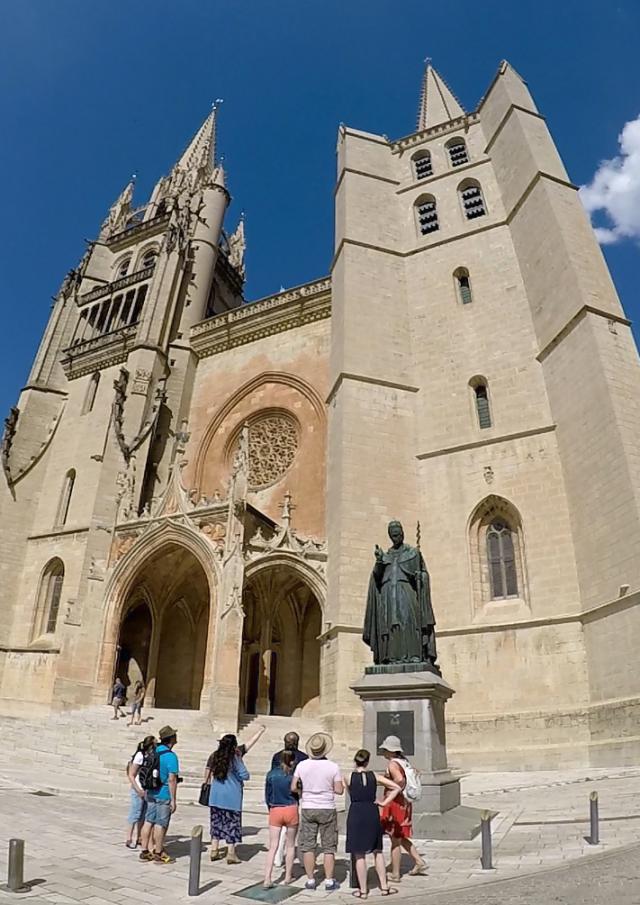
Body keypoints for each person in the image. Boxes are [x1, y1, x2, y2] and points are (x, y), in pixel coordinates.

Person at [291, 732, 344, 892]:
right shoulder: (333, 766)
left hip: (308, 806)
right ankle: (328, 881)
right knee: (328, 846)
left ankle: (310, 880)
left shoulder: (302, 765)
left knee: (308, 846)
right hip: (327, 807)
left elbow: (293, 786)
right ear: (325, 750)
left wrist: (304, 791)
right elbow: (339, 790)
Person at [206, 725, 266, 864]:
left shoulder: (214, 755)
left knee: (217, 823)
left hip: (216, 796)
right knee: (231, 824)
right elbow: (245, 775)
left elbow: (208, 771)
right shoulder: (235, 757)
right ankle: (231, 853)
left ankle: (214, 850)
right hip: (231, 797)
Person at [345, 749, 401, 898]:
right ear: (368, 761)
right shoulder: (375, 776)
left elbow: (351, 794)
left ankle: (363, 891)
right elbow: (397, 787)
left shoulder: (348, 777)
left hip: (356, 812)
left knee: (359, 854)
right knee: (377, 851)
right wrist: (384, 803)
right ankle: (384, 886)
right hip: (371, 811)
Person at [379, 736, 427, 880]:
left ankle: (395, 873)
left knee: (395, 839)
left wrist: (388, 785)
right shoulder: (404, 761)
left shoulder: (393, 764)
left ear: (390, 751)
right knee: (400, 836)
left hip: (395, 802)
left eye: (385, 749)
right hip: (404, 802)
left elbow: (399, 780)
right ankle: (419, 861)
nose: (383, 752)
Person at [139, 725, 180, 864]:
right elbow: (172, 779)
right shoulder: (171, 756)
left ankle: (145, 851)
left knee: (148, 821)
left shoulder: (154, 751)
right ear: (172, 739)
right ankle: (158, 852)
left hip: (150, 791)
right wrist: (173, 799)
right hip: (163, 793)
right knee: (160, 824)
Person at [270, 732, 307, 868]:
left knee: (281, 830)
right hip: (297, 794)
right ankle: (302, 859)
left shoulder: (277, 756)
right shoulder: (303, 757)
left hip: (280, 796)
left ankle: (278, 858)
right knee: (299, 828)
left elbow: (273, 776)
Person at [263, 751, 299, 888]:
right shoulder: (293, 776)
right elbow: (297, 793)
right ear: (291, 761)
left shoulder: (271, 774)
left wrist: (270, 808)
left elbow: (267, 795)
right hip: (290, 808)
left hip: (275, 809)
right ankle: (288, 876)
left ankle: (267, 878)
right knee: (290, 846)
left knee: (273, 846)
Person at [125, 735, 155, 849]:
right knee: (135, 813)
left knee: (143, 815)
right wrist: (137, 789)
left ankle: (139, 837)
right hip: (138, 788)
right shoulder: (140, 755)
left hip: (146, 789)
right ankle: (129, 838)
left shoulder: (150, 756)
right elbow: (131, 774)